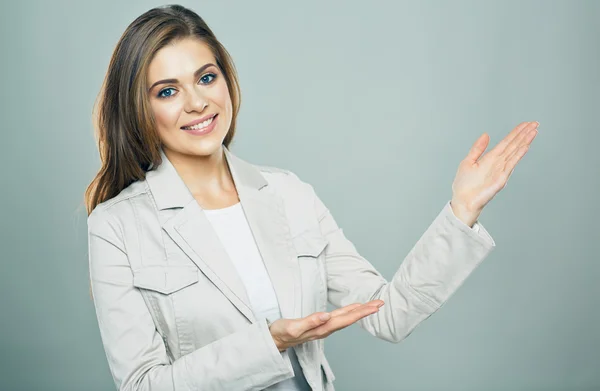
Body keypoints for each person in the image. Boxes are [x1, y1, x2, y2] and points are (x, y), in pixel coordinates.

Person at [85, 4, 538, 391]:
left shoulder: (288, 194)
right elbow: (144, 384)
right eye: (167, 91)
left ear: (226, 80)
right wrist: (272, 341)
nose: (196, 102)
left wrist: (461, 211)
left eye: (206, 77)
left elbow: (389, 313)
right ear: (140, 109)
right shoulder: (116, 227)